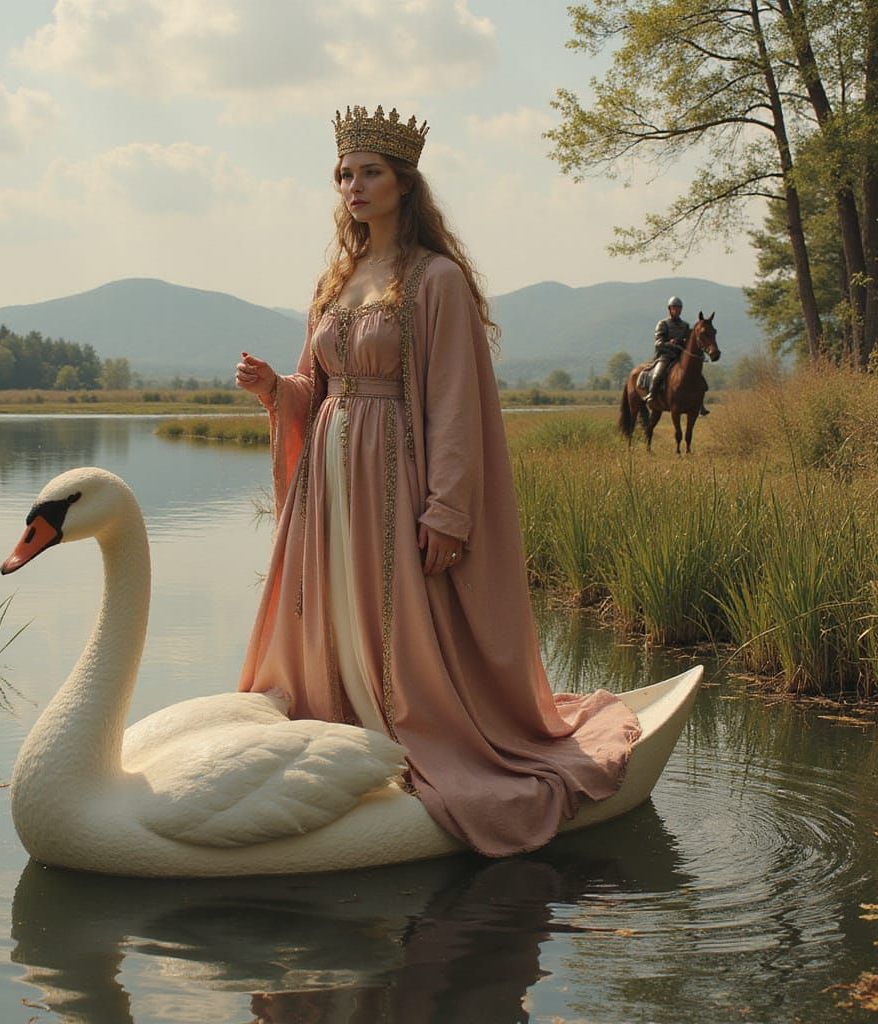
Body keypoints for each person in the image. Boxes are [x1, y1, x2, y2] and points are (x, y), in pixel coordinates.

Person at [235, 104, 639, 857]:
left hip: (396, 474)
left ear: (404, 183)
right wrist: (272, 392)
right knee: (337, 606)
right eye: (345, 174)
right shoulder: (338, 279)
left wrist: (448, 509)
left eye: (370, 173)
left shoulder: (438, 279)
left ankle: (411, 737)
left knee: (397, 615)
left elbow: (454, 403)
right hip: (329, 482)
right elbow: (313, 387)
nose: (354, 186)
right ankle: (342, 733)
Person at [645, 296, 709, 415]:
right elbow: (658, 343)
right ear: (669, 309)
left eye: (679, 308)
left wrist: (682, 342)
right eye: (674, 308)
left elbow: (688, 341)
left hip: (680, 356)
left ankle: (700, 404)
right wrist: (669, 343)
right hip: (666, 356)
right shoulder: (663, 324)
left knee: (698, 378)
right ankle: (652, 395)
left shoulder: (685, 325)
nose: (677, 311)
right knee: (657, 374)